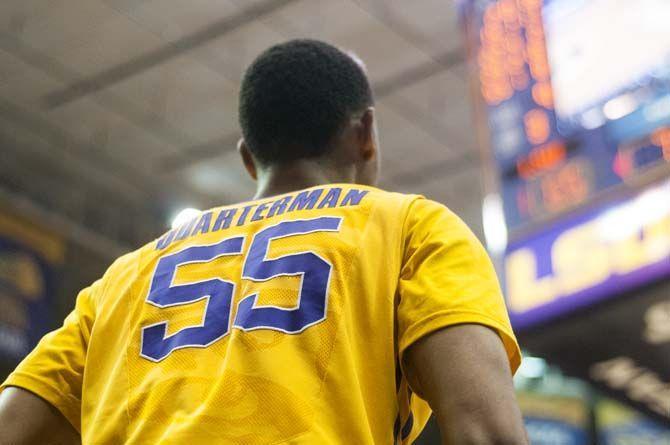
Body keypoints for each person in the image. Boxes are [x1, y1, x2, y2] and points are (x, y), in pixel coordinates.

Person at [0, 39, 527, 445]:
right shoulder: (414, 226)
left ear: (248, 157)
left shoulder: (125, 276)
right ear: (365, 133)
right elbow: (487, 433)